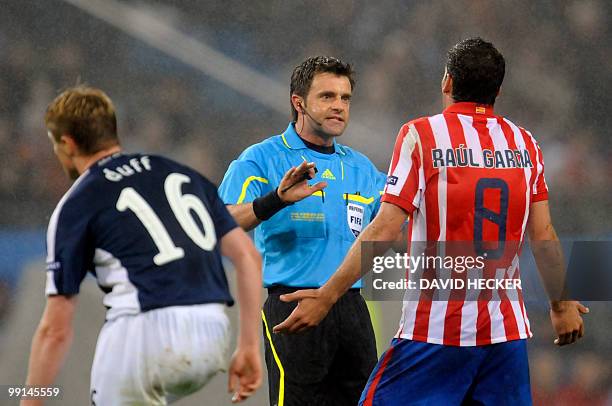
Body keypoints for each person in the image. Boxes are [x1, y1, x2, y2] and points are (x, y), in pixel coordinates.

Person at [274, 38, 589, 405]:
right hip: (505, 335)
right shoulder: (524, 143)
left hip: (436, 332)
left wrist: (326, 296)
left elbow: (386, 227)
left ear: (447, 83)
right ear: (498, 91)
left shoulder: (421, 135)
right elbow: (543, 233)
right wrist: (561, 306)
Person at [23, 86, 263, 405]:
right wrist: (248, 346)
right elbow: (247, 256)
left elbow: (55, 330)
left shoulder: (77, 204)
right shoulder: (183, 174)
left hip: (145, 334)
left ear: (66, 143)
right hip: (213, 332)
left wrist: (31, 399)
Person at [218, 56, 386, 406]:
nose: (339, 106)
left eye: (345, 98)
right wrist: (275, 200)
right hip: (293, 304)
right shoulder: (262, 158)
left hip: (352, 308)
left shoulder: (361, 167)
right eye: (327, 97)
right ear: (299, 102)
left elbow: (396, 228)